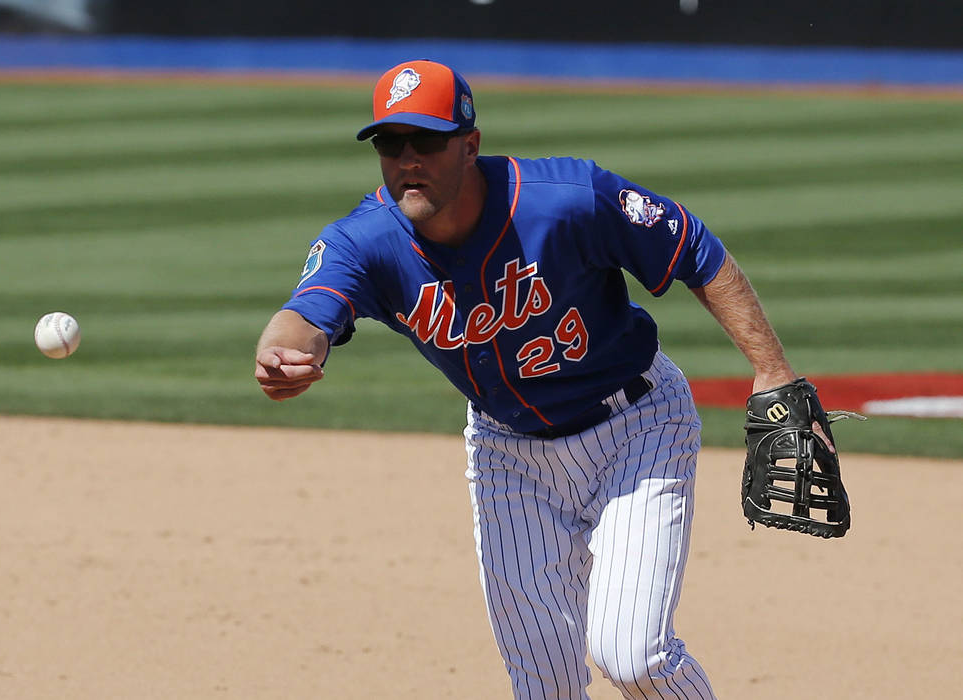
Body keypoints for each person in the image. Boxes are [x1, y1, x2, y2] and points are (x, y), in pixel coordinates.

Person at [255, 59, 800, 700]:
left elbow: (694, 249)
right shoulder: (365, 242)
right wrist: (281, 352)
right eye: (390, 143)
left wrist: (772, 370)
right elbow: (303, 313)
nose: (408, 160)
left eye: (426, 141)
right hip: (508, 456)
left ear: (470, 144)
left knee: (631, 655)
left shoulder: (566, 200)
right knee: (544, 687)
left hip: (636, 429)